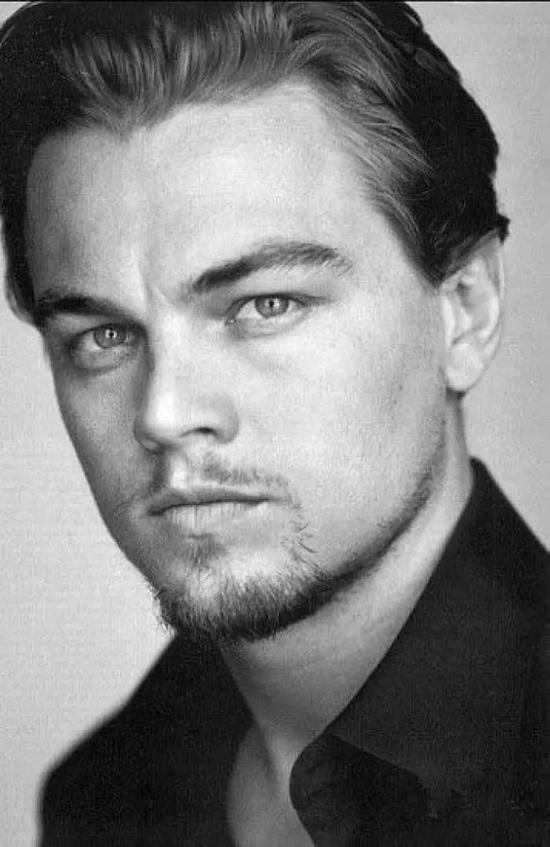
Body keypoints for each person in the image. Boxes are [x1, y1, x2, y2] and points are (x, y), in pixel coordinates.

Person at [0, 1, 548, 843]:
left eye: (265, 304)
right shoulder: (103, 794)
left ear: (464, 311)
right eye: (104, 336)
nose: (164, 413)